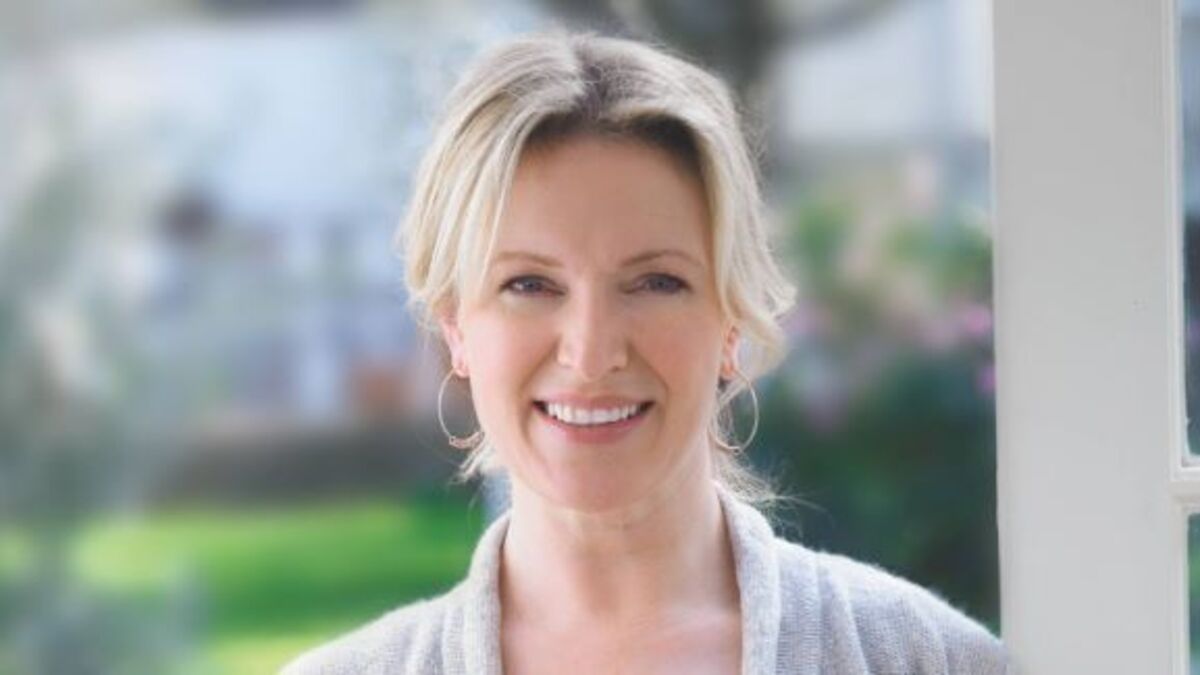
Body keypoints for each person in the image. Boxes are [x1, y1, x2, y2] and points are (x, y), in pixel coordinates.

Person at [283, 32, 1010, 675]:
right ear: (456, 328)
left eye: (656, 282)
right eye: (528, 284)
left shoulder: (927, 660)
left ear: (732, 318)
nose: (592, 352)